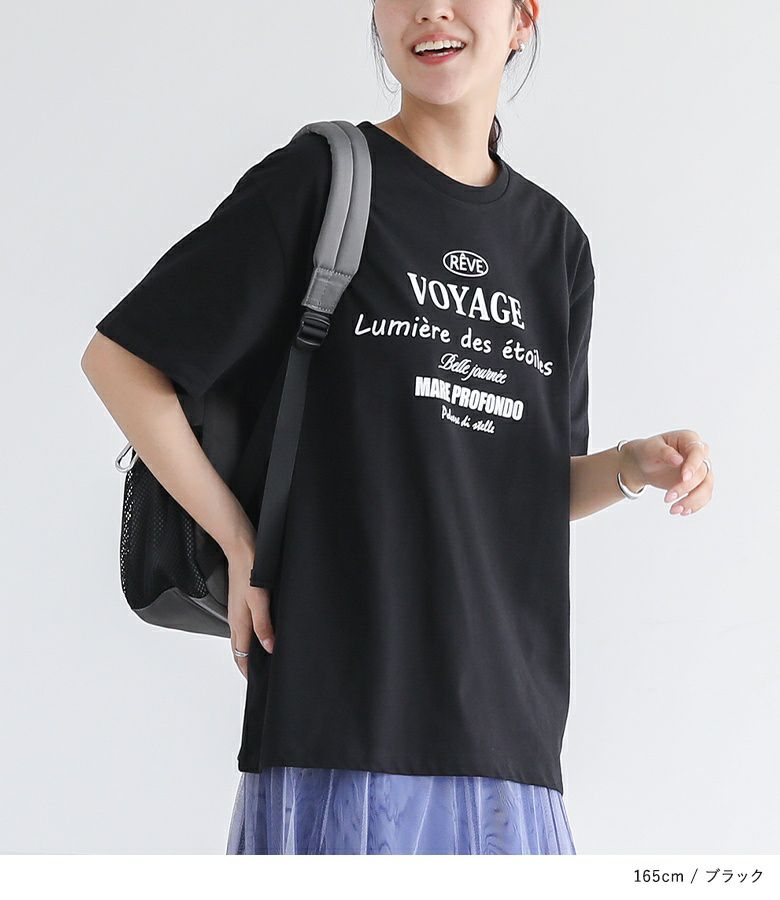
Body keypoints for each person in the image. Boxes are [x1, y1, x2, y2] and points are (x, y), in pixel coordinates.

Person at [82, 0, 715, 855]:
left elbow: (526, 490)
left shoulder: (556, 246)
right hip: (342, 708)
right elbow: (122, 360)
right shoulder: (321, 182)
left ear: (522, 18)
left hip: (505, 726)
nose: (430, 10)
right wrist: (239, 543)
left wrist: (632, 467)